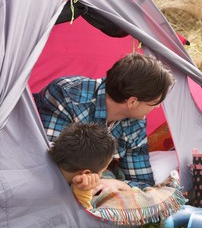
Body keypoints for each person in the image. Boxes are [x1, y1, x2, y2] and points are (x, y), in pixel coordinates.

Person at [34, 52, 174, 190]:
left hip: (90, 183)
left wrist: (117, 184)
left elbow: (143, 182)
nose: (157, 107)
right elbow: (48, 163)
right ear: (132, 102)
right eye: (155, 102)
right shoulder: (67, 96)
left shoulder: (135, 123)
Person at [48, 122, 117, 209]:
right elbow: (83, 218)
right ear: (86, 173)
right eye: (102, 171)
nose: (102, 175)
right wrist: (84, 193)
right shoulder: (61, 198)